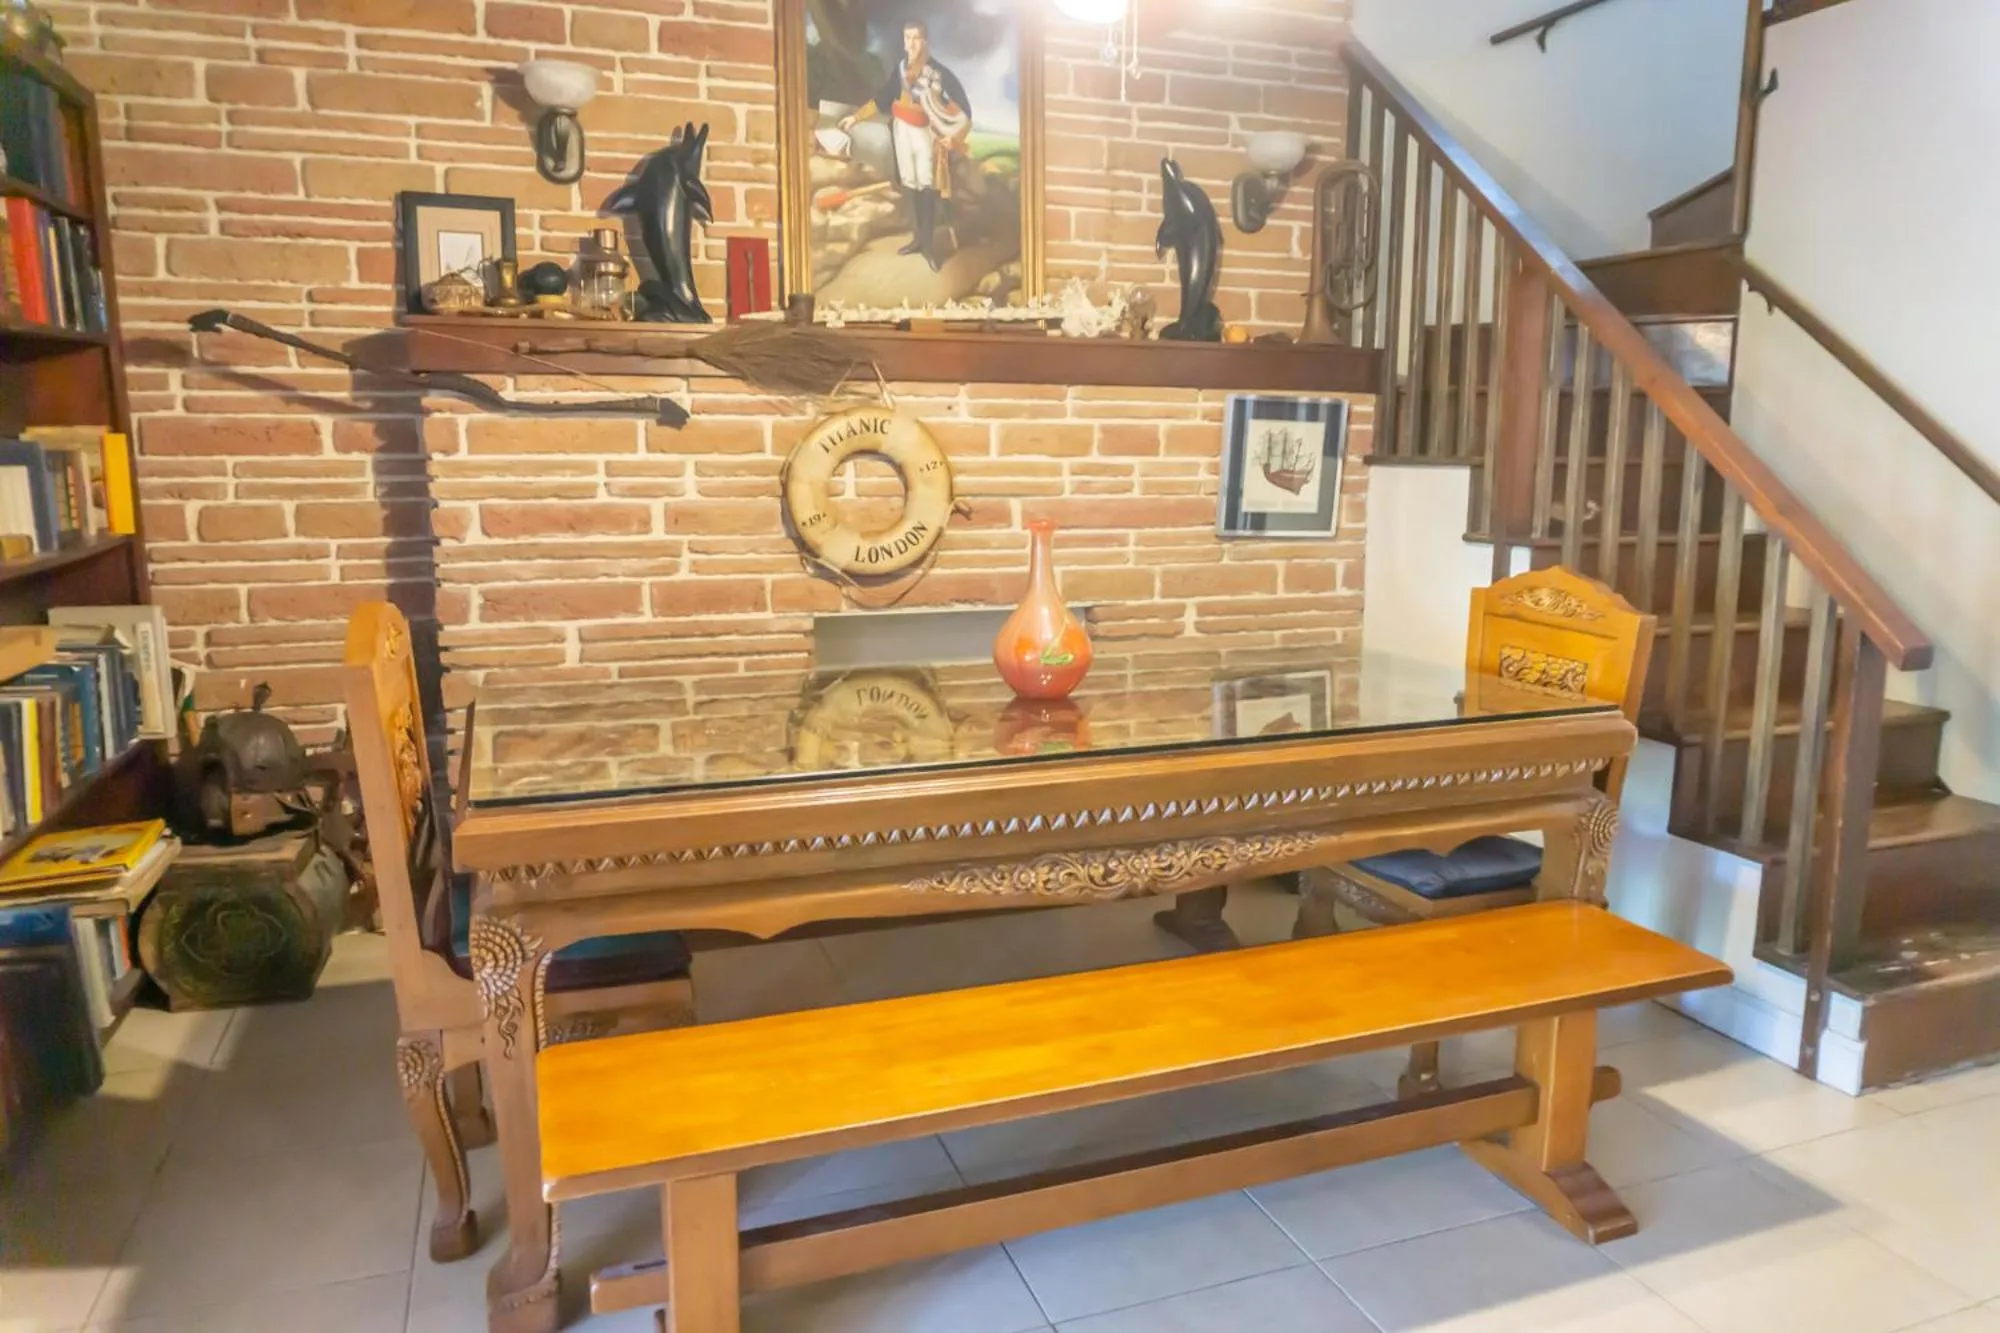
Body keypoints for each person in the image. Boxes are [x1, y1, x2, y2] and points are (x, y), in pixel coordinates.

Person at [839, 19, 971, 272]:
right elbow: (883, 98)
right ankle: (918, 240)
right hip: (902, 131)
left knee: (926, 185)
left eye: (915, 38)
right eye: (907, 38)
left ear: (925, 42)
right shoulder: (900, 69)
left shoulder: (939, 73)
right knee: (910, 183)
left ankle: (930, 248)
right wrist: (855, 118)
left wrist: (950, 136)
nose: (910, 44)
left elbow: (962, 108)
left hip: (925, 134)